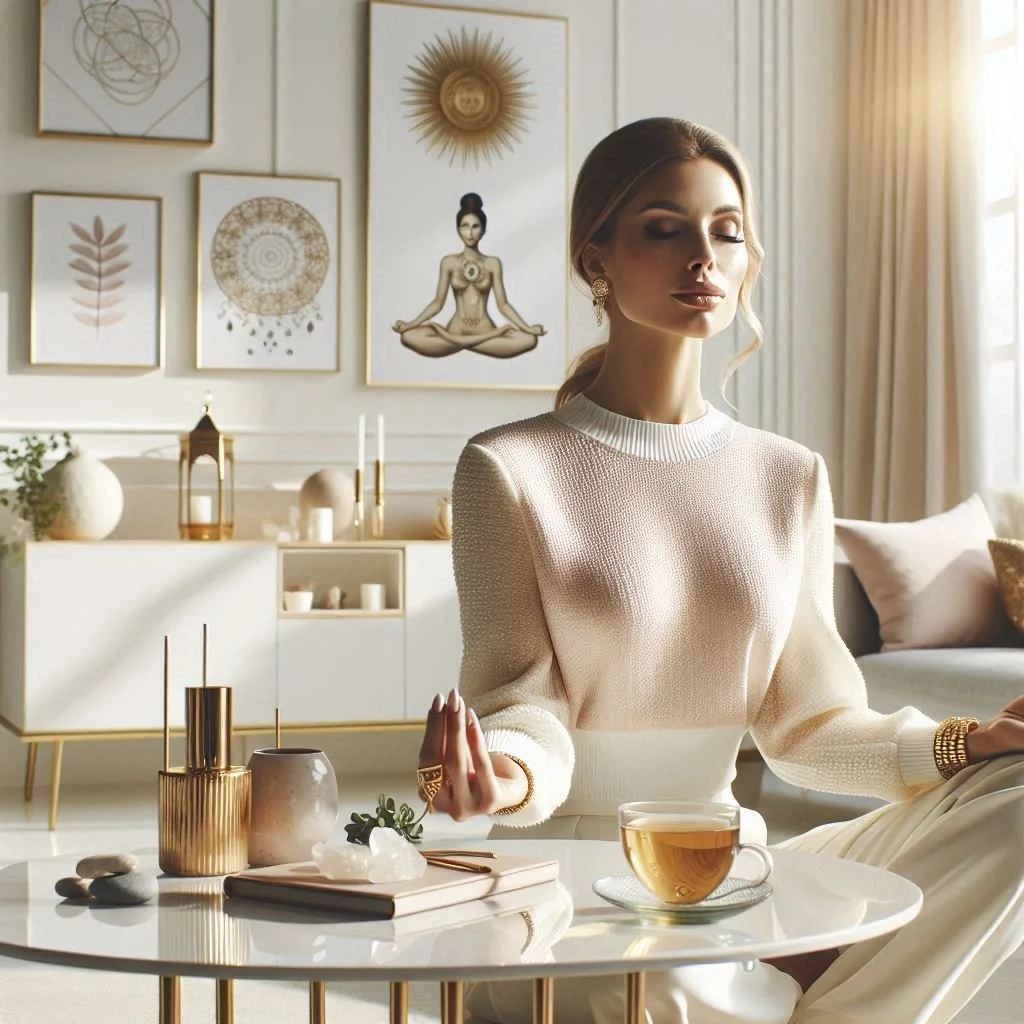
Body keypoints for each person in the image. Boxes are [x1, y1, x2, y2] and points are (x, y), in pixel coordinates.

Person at [415, 117, 1024, 1024]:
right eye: (665, 228)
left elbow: (808, 724)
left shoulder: (788, 474)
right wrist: (501, 773)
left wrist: (958, 745)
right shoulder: (507, 467)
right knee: (660, 985)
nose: (703, 255)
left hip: (730, 854)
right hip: (583, 868)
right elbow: (523, 704)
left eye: (726, 231)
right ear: (598, 260)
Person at [392, 192, 546, 359]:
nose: (470, 233)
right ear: (458, 229)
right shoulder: (449, 262)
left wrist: (528, 328)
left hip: (481, 329)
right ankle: (475, 340)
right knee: (407, 336)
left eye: (475, 226)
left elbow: (503, 305)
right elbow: (438, 303)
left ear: (483, 230)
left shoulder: (492, 263)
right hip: (456, 329)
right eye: (465, 226)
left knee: (530, 339)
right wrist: (411, 324)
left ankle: (458, 342)